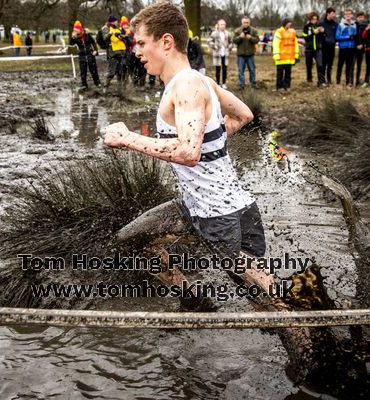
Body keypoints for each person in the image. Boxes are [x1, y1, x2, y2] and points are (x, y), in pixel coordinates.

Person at [104, 1, 274, 295]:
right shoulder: (203, 81)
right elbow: (244, 115)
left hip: (218, 215)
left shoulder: (188, 86)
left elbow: (187, 153)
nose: (137, 52)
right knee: (131, 239)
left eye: (142, 43)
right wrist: (213, 140)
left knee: (264, 298)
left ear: (166, 41)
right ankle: (192, 298)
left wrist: (127, 137)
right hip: (212, 206)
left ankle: (312, 334)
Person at [70, 20, 101, 90]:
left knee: (94, 71)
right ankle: (84, 85)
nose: (75, 31)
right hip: (82, 56)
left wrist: (95, 50)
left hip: (90, 55)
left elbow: (93, 42)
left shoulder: (87, 35)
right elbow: (71, 44)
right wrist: (72, 37)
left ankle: (97, 83)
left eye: (76, 29)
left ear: (80, 29)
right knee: (83, 72)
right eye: (74, 30)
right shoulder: (75, 37)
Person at [272, 18, 299, 91]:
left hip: (289, 58)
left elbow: (295, 44)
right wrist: (276, 54)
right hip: (281, 57)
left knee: (288, 73)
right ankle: (279, 87)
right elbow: (275, 44)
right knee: (280, 74)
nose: (289, 24)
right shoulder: (279, 32)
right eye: (288, 23)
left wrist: (296, 54)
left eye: (290, 23)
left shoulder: (293, 32)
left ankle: (287, 86)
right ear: (285, 23)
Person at [233, 16, 259, 89]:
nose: (246, 24)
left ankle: (253, 84)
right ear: (242, 22)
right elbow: (234, 40)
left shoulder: (253, 30)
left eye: (247, 22)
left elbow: (257, 40)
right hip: (241, 54)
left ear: (249, 22)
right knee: (241, 71)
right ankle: (241, 85)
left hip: (250, 54)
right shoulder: (237, 31)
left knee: (252, 70)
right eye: (244, 22)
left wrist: (251, 38)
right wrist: (240, 37)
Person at [103, 15, 127, 86]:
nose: (117, 22)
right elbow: (105, 39)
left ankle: (120, 88)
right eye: (116, 21)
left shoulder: (119, 28)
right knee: (111, 72)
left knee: (120, 72)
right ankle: (105, 86)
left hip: (120, 52)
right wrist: (109, 34)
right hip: (112, 53)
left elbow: (124, 38)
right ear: (112, 22)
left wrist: (121, 37)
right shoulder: (106, 28)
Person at [208, 19, 233, 89]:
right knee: (218, 69)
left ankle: (224, 83)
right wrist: (214, 46)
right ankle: (218, 84)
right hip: (217, 54)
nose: (223, 26)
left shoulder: (228, 33)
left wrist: (229, 47)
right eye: (221, 24)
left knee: (225, 69)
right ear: (218, 25)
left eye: (224, 24)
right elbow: (209, 41)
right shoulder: (214, 33)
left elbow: (231, 42)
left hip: (225, 54)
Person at [335, 8, 357, 86]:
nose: (348, 15)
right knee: (340, 65)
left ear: (352, 15)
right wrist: (347, 37)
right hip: (343, 48)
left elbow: (356, 36)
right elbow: (337, 37)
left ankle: (348, 82)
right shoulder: (340, 25)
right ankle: (338, 82)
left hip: (351, 48)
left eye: (349, 14)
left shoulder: (354, 25)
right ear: (344, 15)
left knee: (349, 66)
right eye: (346, 14)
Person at [302, 12, 325, 86]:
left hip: (318, 49)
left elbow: (323, 37)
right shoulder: (306, 27)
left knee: (320, 65)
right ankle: (309, 80)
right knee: (309, 65)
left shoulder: (319, 26)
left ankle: (321, 82)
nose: (314, 20)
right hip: (309, 49)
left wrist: (322, 32)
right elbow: (306, 38)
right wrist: (313, 33)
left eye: (316, 19)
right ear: (310, 19)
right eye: (313, 19)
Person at [321, 7, 338, 85]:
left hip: (332, 47)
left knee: (330, 65)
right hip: (323, 48)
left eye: (334, 14)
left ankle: (329, 80)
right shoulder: (321, 24)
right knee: (323, 65)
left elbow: (337, 36)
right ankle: (322, 80)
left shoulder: (335, 24)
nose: (334, 15)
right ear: (328, 14)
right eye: (332, 14)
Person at [354, 11, 367, 86]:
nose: (361, 19)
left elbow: (366, 37)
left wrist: (362, 44)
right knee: (352, 65)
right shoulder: (353, 25)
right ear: (357, 18)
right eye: (359, 17)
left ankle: (357, 81)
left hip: (361, 49)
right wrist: (356, 45)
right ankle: (351, 80)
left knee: (359, 65)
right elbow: (352, 36)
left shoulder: (365, 26)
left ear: (364, 18)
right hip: (353, 48)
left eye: (362, 17)